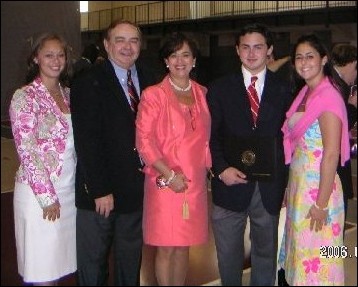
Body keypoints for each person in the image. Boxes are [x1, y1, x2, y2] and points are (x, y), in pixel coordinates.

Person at [70, 20, 157, 285]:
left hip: (135, 191)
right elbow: (87, 141)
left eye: (133, 41)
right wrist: (99, 189)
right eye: (120, 40)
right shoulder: (88, 82)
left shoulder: (151, 79)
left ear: (140, 46)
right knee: (93, 264)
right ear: (107, 45)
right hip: (99, 194)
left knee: (129, 265)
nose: (127, 47)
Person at [207, 23, 292, 285]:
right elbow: (211, 135)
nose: (252, 53)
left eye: (258, 47)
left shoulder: (285, 89)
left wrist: (287, 182)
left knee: (265, 254)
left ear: (269, 50)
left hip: (268, 187)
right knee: (228, 257)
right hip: (229, 183)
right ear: (237, 50)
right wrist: (221, 169)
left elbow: (288, 138)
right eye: (246, 47)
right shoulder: (219, 88)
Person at [135, 32, 212, 286]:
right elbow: (144, 142)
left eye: (186, 55)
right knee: (167, 247)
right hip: (165, 182)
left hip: (195, 184)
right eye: (174, 55)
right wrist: (169, 175)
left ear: (194, 61)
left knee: (183, 246)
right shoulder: (153, 95)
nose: (180, 61)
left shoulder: (203, 93)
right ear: (166, 61)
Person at [278, 34, 350, 285]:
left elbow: (331, 153)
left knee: (319, 262)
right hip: (301, 187)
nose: (304, 62)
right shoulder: (306, 93)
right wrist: (290, 187)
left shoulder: (328, 96)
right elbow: (299, 148)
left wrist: (320, 204)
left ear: (324, 59)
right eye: (299, 57)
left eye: (310, 56)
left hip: (320, 190)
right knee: (302, 259)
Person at [9, 33, 76, 285]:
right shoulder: (24, 97)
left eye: (60, 55)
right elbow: (27, 150)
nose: (56, 60)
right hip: (40, 197)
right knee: (42, 271)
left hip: (69, 191)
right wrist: (47, 197)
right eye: (49, 55)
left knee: (58, 268)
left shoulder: (70, 94)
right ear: (36, 58)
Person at [332, 43, 357, 221]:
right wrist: (353, 106)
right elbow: (337, 125)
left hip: (333, 167)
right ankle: (335, 252)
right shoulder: (335, 85)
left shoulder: (332, 82)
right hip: (334, 170)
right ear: (351, 63)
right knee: (335, 228)